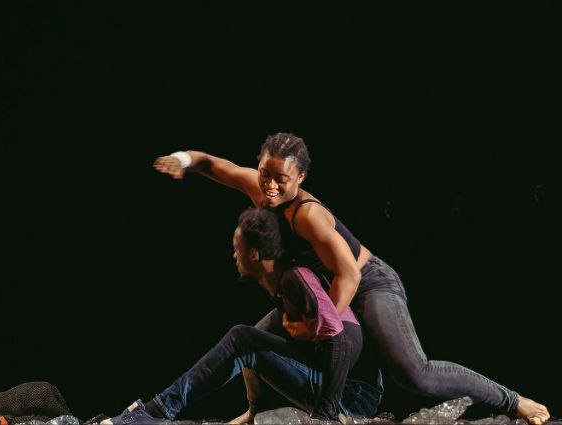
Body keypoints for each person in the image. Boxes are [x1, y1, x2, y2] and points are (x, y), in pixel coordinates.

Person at [153, 133, 550, 424]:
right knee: (251, 343)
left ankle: (513, 400)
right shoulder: (259, 188)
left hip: (369, 283)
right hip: (327, 287)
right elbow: (210, 163)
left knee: (413, 372)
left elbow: (349, 274)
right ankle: (254, 413)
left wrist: (320, 328)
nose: (270, 186)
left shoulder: (308, 215)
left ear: (300, 177)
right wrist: (181, 159)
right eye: (264, 174)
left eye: (281, 179)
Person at [101, 208, 382, 425]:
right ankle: (162, 409)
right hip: (343, 390)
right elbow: (249, 355)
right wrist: (254, 413)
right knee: (251, 336)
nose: (234, 256)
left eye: (237, 249)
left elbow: (340, 340)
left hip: (353, 397)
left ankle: (157, 411)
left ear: (255, 254)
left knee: (242, 337)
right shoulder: (283, 292)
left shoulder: (296, 279)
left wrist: (324, 416)